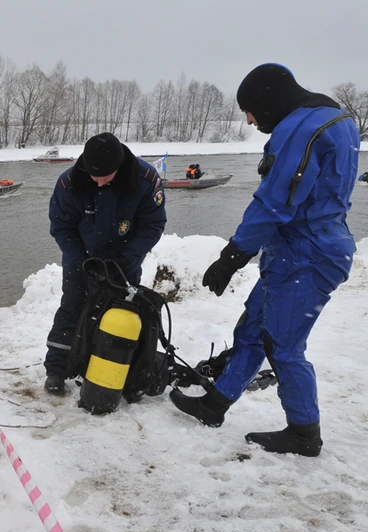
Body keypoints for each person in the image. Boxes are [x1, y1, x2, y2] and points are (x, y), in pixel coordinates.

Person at [170, 64, 360, 457]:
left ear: (269, 102)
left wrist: (233, 255)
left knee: (282, 346)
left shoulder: (301, 129)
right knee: (253, 328)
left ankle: (303, 433)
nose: (249, 120)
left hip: (309, 254)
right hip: (297, 250)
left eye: (250, 110)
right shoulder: (337, 119)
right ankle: (214, 405)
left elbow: (275, 201)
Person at [43, 132, 167, 394]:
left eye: (105, 176)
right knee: (72, 308)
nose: (98, 182)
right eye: (93, 175)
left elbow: (152, 225)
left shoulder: (146, 180)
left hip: (124, 263)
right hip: (81, 260)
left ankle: (114, 365)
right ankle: (56, 369)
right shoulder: (69, 183)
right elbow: (62, 227)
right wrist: (82, 262)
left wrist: (127, 258)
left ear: (119, 167)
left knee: (120, 314)